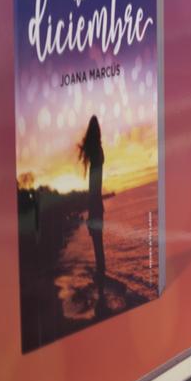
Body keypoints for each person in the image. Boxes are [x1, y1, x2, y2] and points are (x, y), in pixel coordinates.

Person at [78, 116, 106, 279]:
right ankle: (100, 271)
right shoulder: (98, 151)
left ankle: (100, 271)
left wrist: (91, 207)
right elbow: (95, 184)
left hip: (94, 201)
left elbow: (93, 184)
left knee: (97, 239)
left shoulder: (96, 151)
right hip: (96, 201)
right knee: (97, 239)